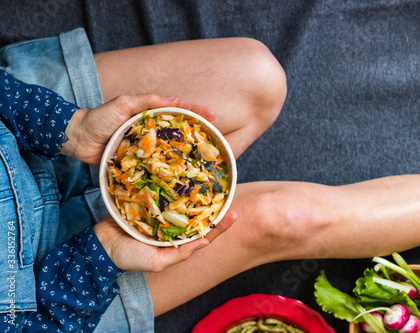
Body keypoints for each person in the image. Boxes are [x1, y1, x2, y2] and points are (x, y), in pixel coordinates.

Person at [0, 28, 286, 332]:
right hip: (42, 291)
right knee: (280, 218)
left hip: (19, 129)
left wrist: (69, 126)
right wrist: (103, 255)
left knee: (259, 76)